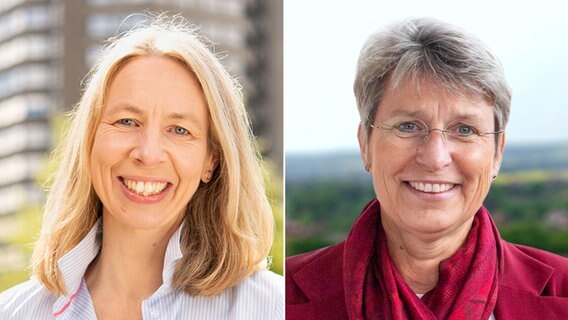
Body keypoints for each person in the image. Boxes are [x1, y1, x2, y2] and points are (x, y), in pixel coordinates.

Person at [0, 15, 283, 319]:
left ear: (211, 160)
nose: (148, 154)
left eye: (179, 129)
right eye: (127, 121)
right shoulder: (15, 312)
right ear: (89, 141)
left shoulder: (272, 307)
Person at [286, 18, 568, 319]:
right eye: (408, 126)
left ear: (497, 152)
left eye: (464, 129)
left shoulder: (562, 292)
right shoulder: (282, 297)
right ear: (365, 144)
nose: (435, 158)